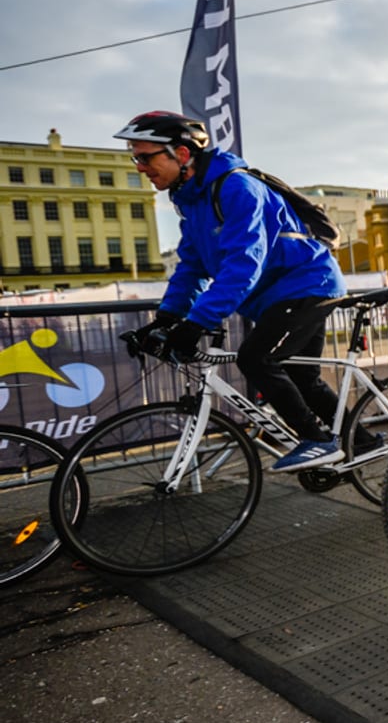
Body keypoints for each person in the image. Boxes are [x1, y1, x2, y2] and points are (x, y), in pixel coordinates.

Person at [115, 110, 359, 472]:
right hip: (277, 295)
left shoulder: (236, 187)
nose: (139, 166)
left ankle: (319, 441)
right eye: (135, 158)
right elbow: (192, 267)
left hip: (307, 285)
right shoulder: (191, 200)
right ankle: (363, 442)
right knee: (301, 376)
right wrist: (166, 318)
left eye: (146, 156)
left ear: (182, 154)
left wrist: (196, 322)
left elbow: (244, 263)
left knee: (256, 359)